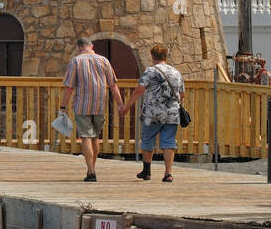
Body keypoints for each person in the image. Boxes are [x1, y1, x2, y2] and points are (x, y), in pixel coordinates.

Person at [59, 36, 123, 182]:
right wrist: (120, 105)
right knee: (95, 138)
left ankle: (91, 171)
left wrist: (62, 107)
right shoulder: (104, 60)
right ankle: (91, 169)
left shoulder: (75, 61)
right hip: (100, 105)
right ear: (91, 46)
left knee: (85, 137)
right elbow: (113, 85)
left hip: (82, 105)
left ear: (79, 47)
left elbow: (69, 87)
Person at [119, 43, 185, 183]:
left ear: (153, 56)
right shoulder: (176, 72)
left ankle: (147, 171)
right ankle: (168, 174)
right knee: (168, 142)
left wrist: (126, 107)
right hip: (171, 112)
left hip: (152, 112)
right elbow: (182, 94)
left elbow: (139, 90)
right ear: (165, 56)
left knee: (148, 140)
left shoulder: (150, 71)